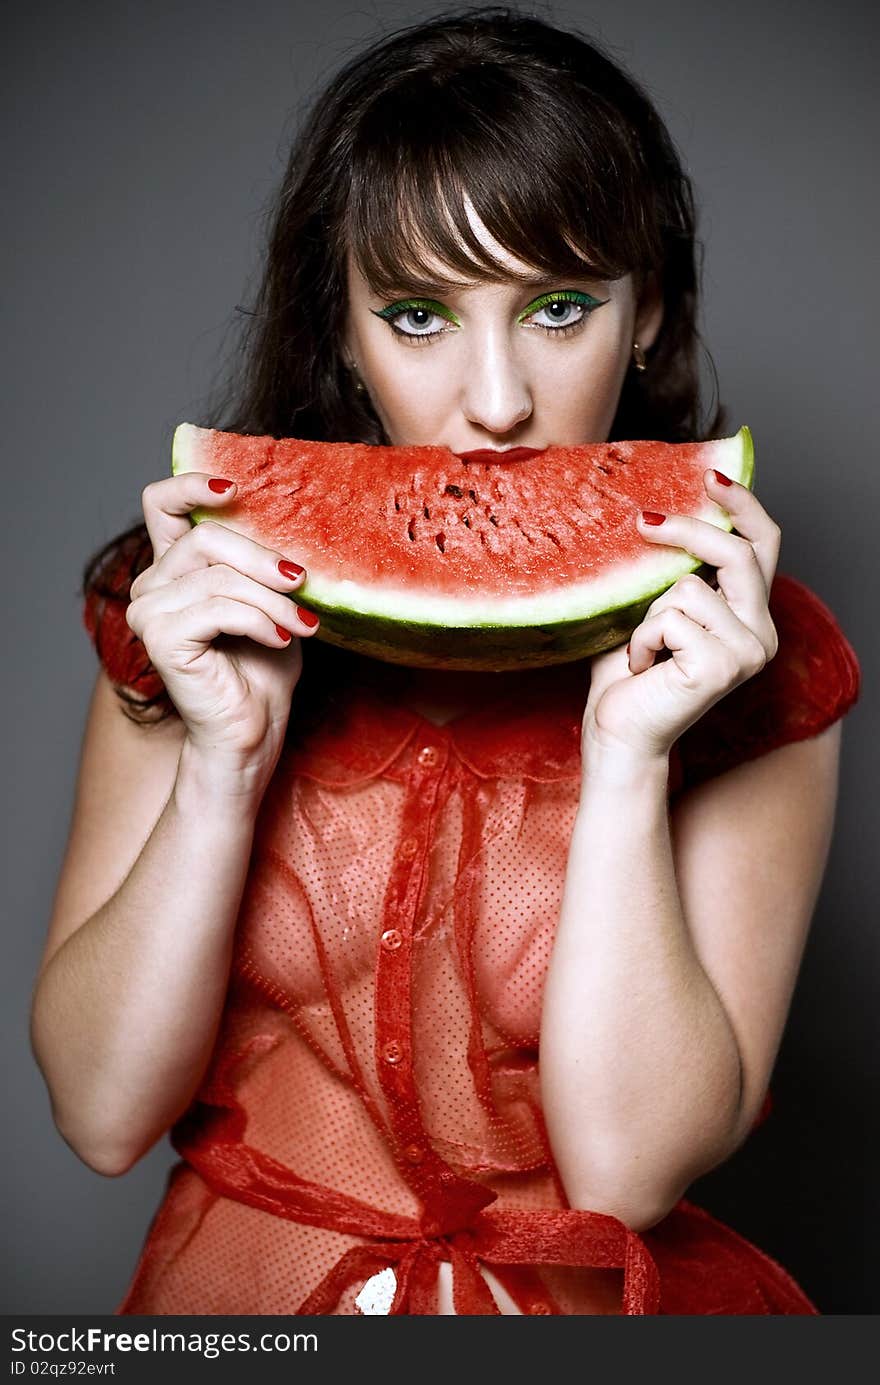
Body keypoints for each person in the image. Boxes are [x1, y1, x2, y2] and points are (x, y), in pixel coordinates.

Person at [31, 7, 861, 1315]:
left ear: (647, 314)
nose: (495, 400)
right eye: (417, 316)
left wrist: (634, 757)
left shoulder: (756, 665)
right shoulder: (192, 604)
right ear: (346, 337)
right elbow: (97, 1111)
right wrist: (218, 765)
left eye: (560, 307)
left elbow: (626, 1168)